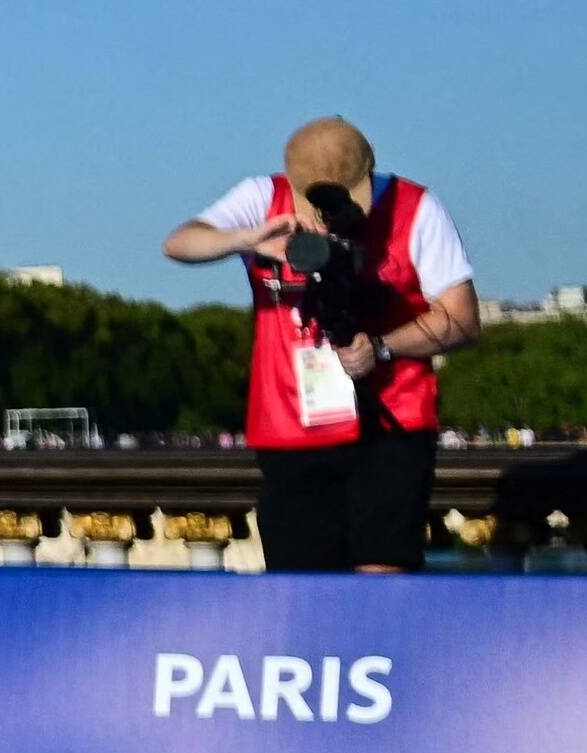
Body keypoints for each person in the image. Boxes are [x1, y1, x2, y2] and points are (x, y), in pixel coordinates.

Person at [161, 115, 478, 575]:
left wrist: (381, 347)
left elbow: (463, 319)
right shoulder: (260, 199)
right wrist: (247, 239)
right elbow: (179, 243)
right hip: (292, 428)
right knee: (301, 586)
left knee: (383, 576)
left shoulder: (417, 208)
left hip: (390, 422)